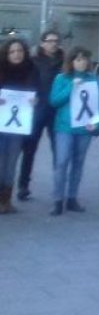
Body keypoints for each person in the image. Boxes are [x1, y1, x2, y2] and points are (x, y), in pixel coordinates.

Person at [48, 47, 99, 215]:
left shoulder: (94, 80)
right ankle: (58, 199)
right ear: (71, 62)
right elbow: (54, 101)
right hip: (64, 127)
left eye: (84, 59)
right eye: (78, 59)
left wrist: (98, 124)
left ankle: (72, 197)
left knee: (78, 163)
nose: (81, 63)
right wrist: (71, 87)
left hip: (84, 128)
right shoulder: (62, 78)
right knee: (62, 162)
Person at [17, 30, 63, 201]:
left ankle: (59, 187)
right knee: (29, 150)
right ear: (42, 43)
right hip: (36, 111)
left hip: (56, 111)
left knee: (59, 151)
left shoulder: (64, 60)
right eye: (50, 41)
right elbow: (25, 82)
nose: (53, 43)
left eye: (56, 40)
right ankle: (23, 186)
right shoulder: (33, 61)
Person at [0, 38, 40, 213]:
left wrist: (35, 101)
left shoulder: (31, 70)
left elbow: (38, 94)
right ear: (6, 53)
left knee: (11, 164)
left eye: (19, 51)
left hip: (18, 128)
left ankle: (6, 201)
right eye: (12, 51)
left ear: (24, 53)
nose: (16, 54)